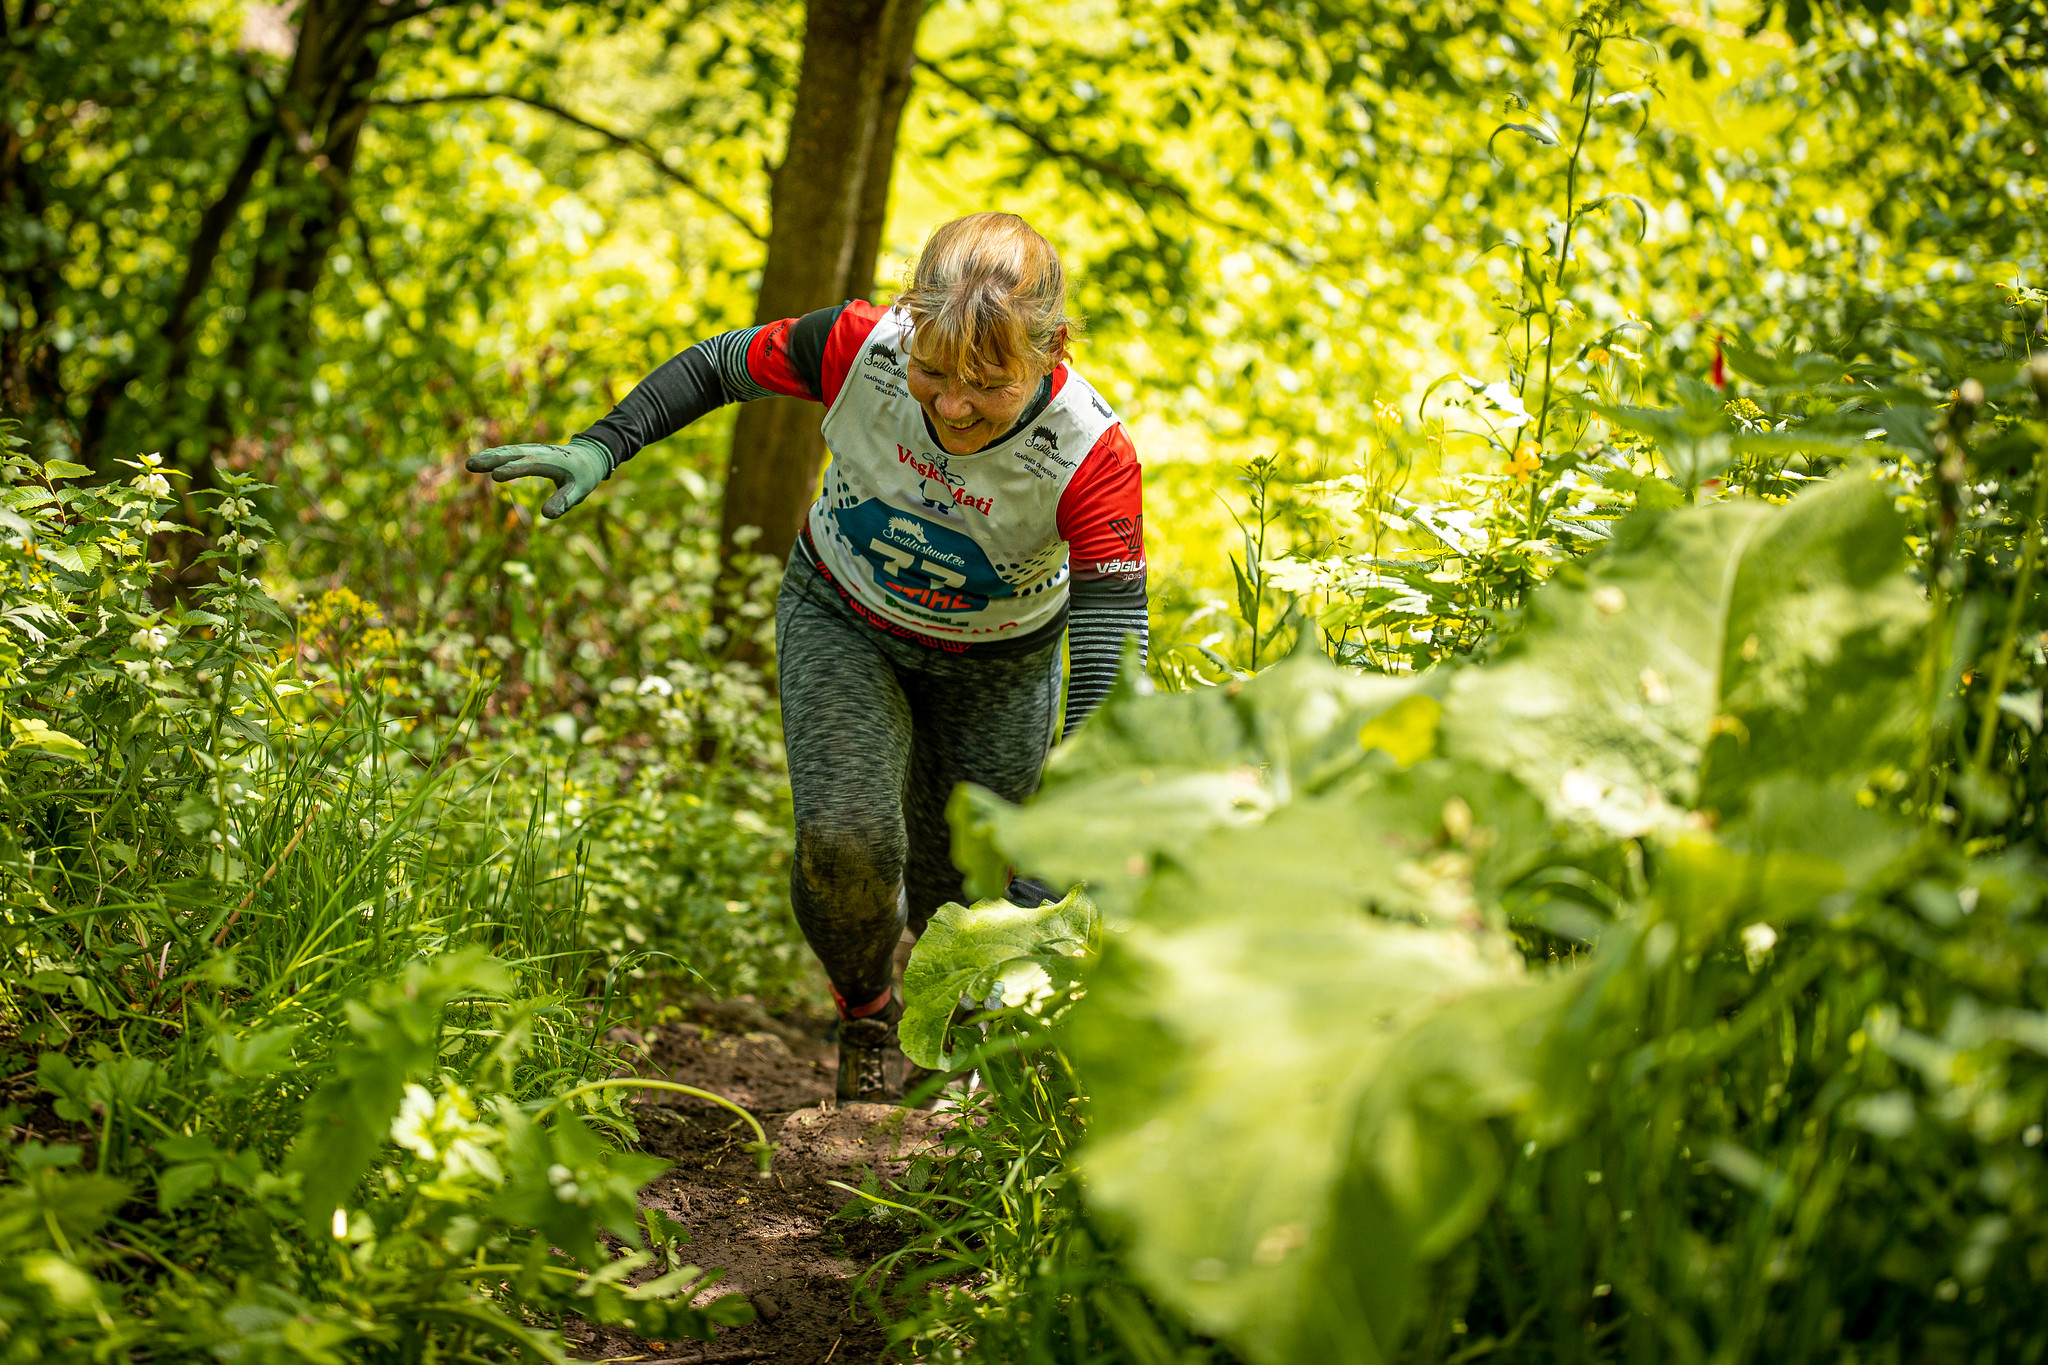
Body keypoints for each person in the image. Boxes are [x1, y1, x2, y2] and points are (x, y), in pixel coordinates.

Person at [466, 213, 1147, 1101]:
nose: (950, 403)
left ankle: (953, 1081)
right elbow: (720, 365)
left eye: (988, 382)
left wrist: (1077, 821)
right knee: (847, 843)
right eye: (934, 371)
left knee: (976, 897)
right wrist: (604, 443)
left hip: (1000, 665)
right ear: (910, 317)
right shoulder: (862, 346)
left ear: (1050, 348)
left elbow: (1110, 643)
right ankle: (863, 1010)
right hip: (846, 617)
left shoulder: (1091, 452)